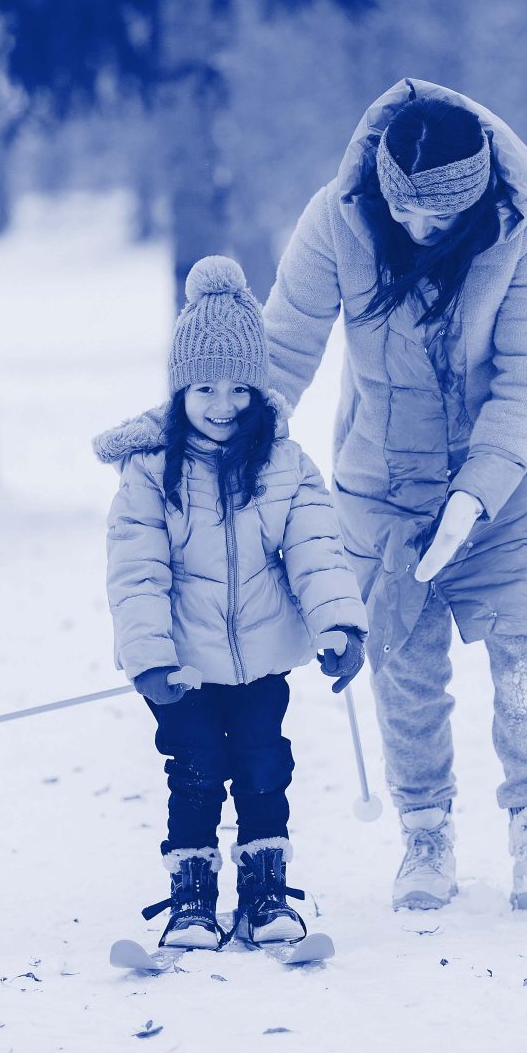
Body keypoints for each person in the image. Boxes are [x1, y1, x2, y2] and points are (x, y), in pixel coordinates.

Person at [261, 78, 527, 917]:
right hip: (384, 479)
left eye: (438, 217)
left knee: (523, 644)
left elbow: (526, 382)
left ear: (476, 197)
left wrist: (473, 499)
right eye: (402, 210)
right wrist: (231, 449)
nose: (416, 228)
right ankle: (426, 833)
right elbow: (285, 342)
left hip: (516, 478)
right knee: (402, 661)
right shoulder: (338, 216)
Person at [95, 255, 367, 951]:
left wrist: (336, 622)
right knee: (194, 774)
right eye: (205, 387)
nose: (222, 405)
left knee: (263, 768)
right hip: (181, 669)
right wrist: (149, 658)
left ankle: (264, 891)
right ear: (180, 390)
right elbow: (137, 573)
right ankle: (192, 899)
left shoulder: (284, 466)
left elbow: (316, 547)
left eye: (240, 388)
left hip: (261, 663)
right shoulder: (150, 476)